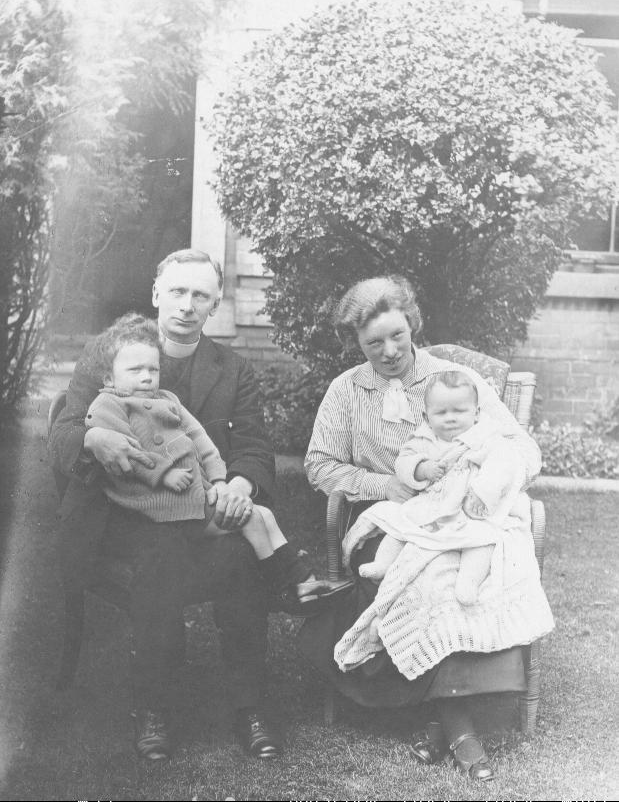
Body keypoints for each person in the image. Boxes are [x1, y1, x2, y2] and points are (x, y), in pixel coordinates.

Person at [48, 248, 345, 763]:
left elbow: (254, 449)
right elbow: (62, 434)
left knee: (240, 559)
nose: (187, 305)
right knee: (161, 556)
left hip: (201, 504)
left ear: (215, 304)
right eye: (178, 292)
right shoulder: (110, 353)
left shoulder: (231, 370)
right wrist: (95, 438)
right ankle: (154, 705)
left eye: (200, 295)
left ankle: (249, 706)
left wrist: (239, 487)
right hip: (124, 514)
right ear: (157, 292)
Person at [300, 275, 554, 783]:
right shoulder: (346, 391)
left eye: (398, 335)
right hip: (390, 523)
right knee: (431, 570)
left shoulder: (457, 379)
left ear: (413, 325)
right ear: (356, 344)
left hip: (467, 512)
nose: (390, 351)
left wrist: (489, 484)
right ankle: (458, 723)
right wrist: (382, 486)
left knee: (471, 567)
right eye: (374, 343)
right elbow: (318, 464)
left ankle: (445, 718)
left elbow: (524, 450)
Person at [85, 311, 350, 608]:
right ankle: (279, 588)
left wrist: (221, 482)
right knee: (249, 518)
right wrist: (163, 474)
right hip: (161, 506)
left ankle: (305, 580)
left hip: (194, 494)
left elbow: (202, 441)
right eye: (135, 370)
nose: (147, 377)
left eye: (153, 369)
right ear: (109, 376)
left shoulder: (168, 400)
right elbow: (126, 455)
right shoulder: (108, 405)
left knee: (263, 513)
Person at [347, 370, 529, 607]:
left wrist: (482, 491)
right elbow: (402, 462)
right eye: (441, 412)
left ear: (476, 413)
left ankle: (469, 581)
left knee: (482, 541)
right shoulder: (423, 438)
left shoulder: (487, 438)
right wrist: (421, 468)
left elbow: (503, 464)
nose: (450, 418)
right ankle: (383, 564)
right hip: (431, 504)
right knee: (400, 528)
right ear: (426, 416)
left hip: (468, 509)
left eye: (459, 411)